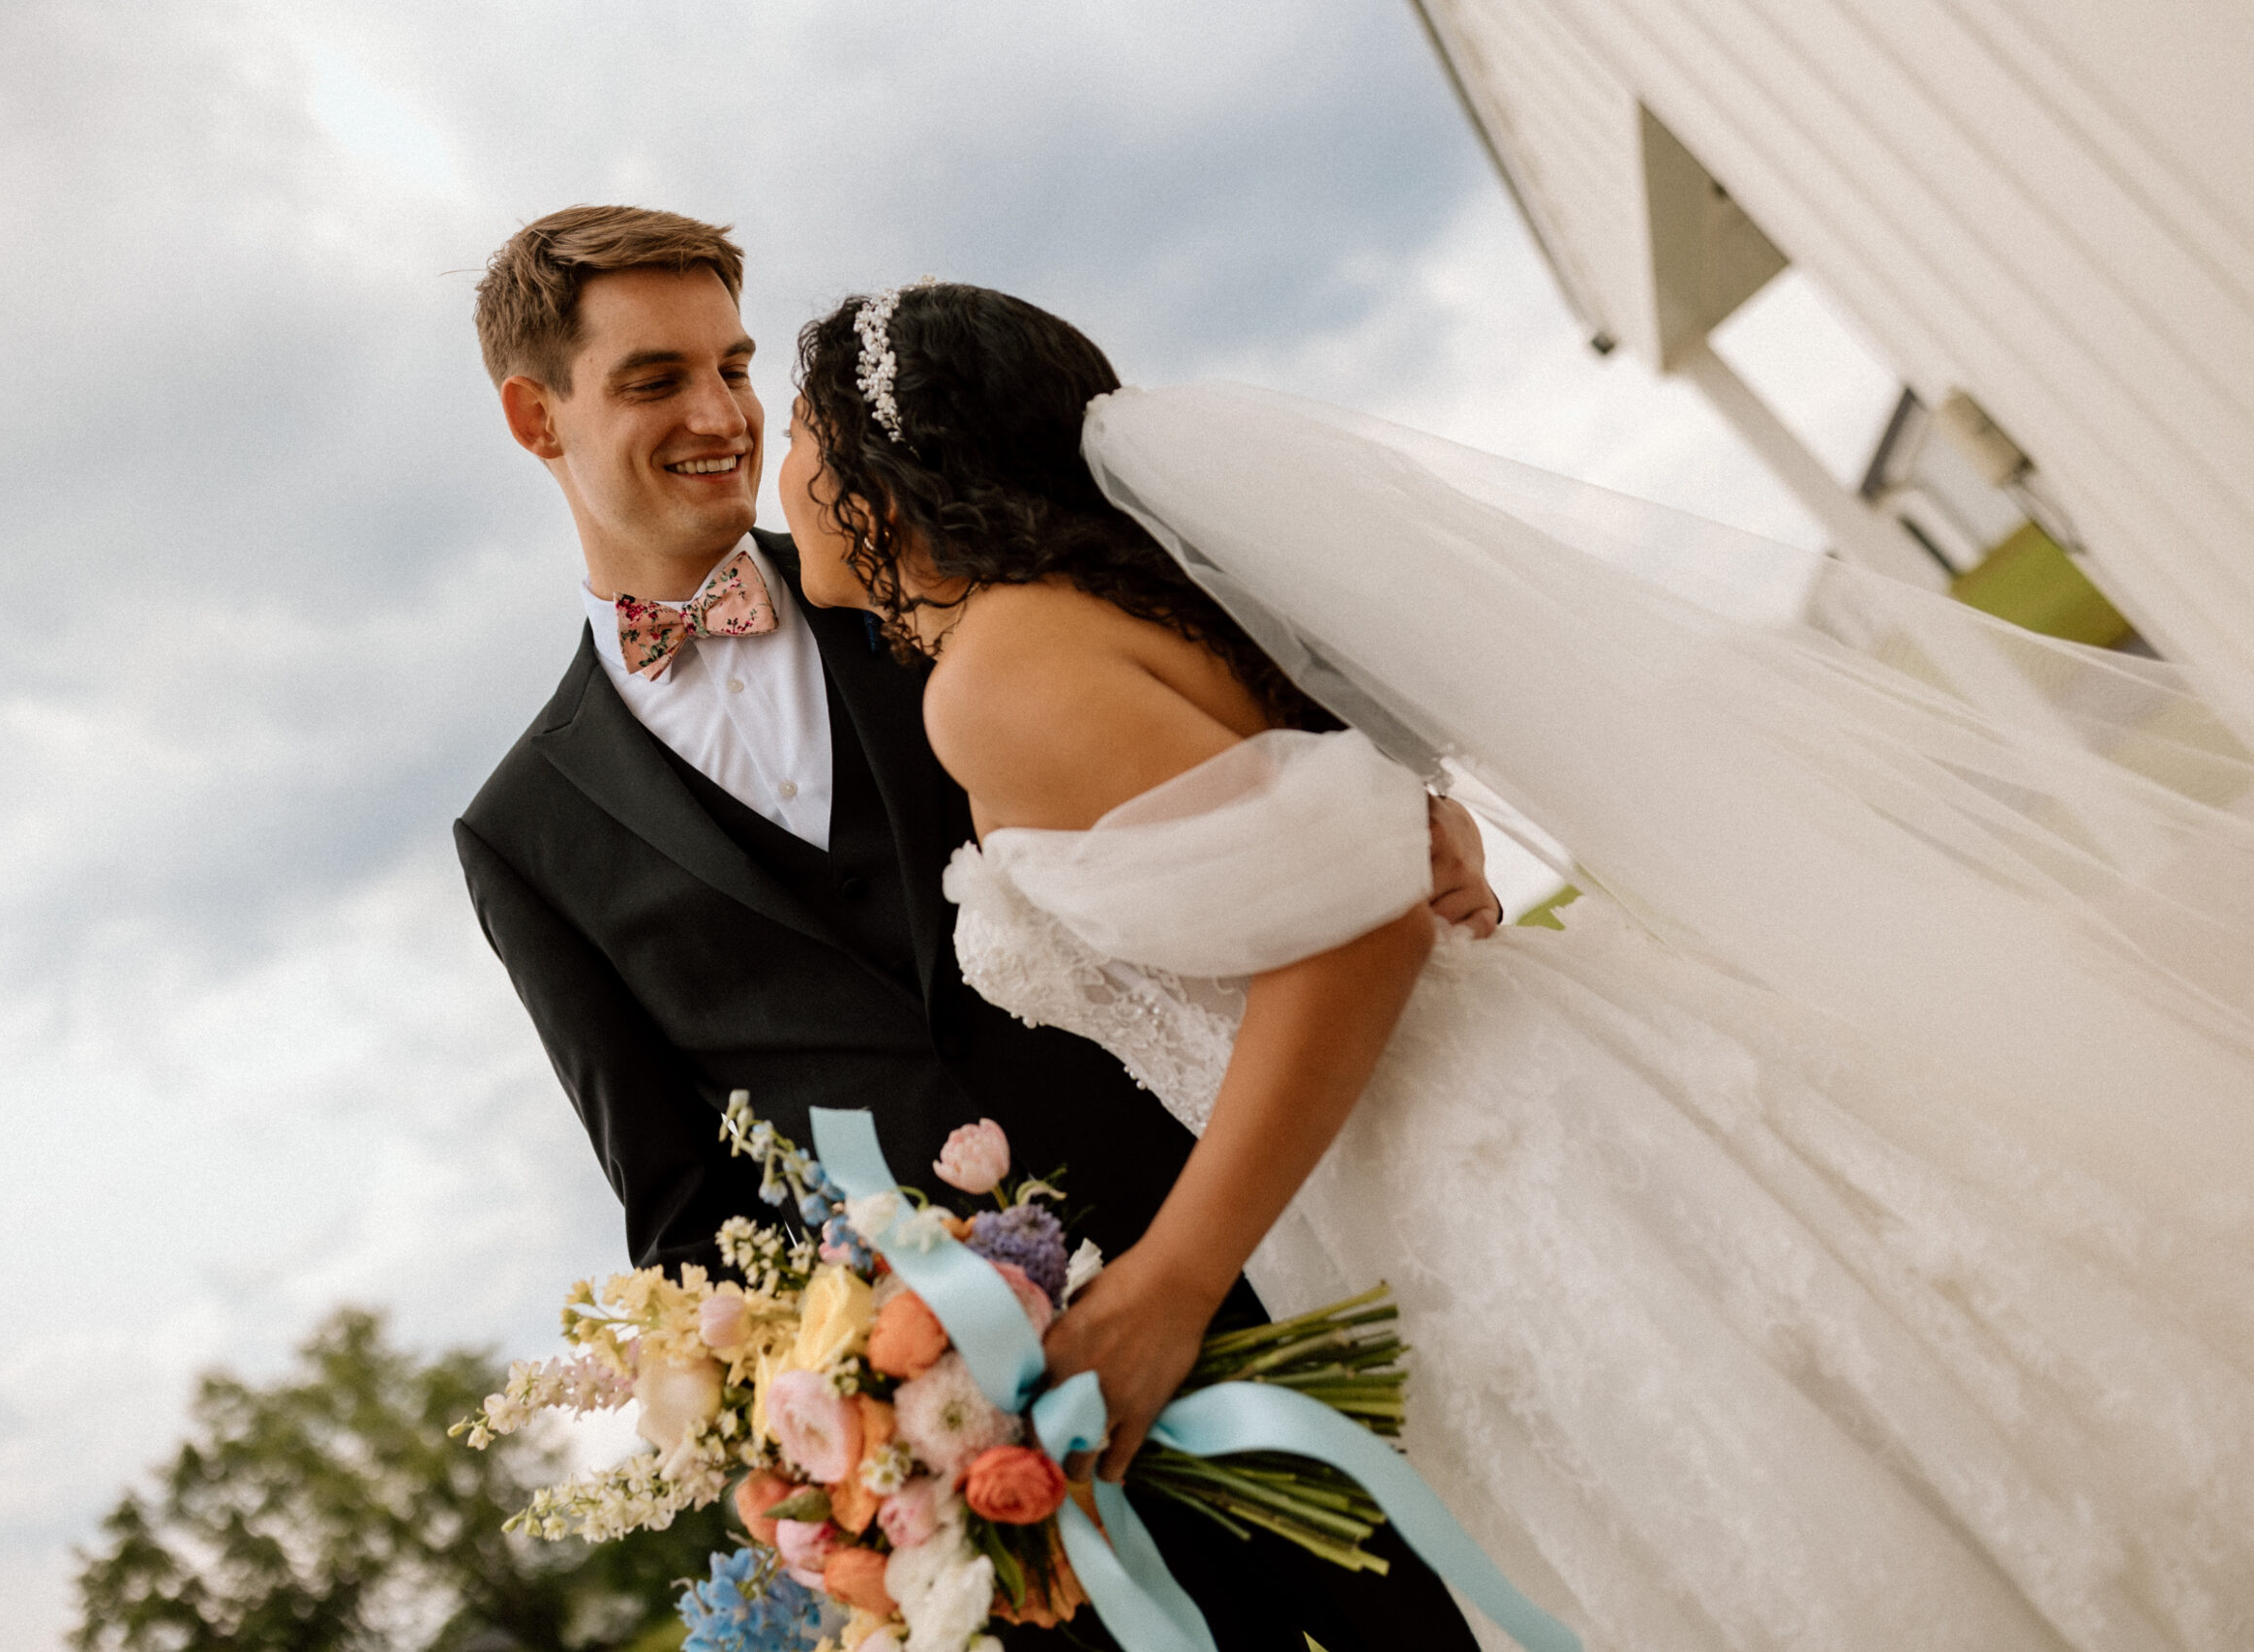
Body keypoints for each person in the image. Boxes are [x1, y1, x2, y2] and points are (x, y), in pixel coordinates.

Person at [778, 278, 2254, 1652]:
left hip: (1471, 1165)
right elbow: (1348, 834)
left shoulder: (993, 675)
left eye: (795, 432)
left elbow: (1351, 924)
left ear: (882, 470)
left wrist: (1171, 1281)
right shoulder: (1109, 606)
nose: (778, 474)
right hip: (1486, 1112)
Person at [451, 206, 1488, 1651]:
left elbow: (1241, 732)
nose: (722, 415)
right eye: (654, 380)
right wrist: (847, 1473)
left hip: (1275, 1269)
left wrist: (1406, 815)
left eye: (736, 366)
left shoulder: (915, 574)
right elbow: (688, 1217)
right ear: (532, 413)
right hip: (996, 1478)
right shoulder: (522, 833)